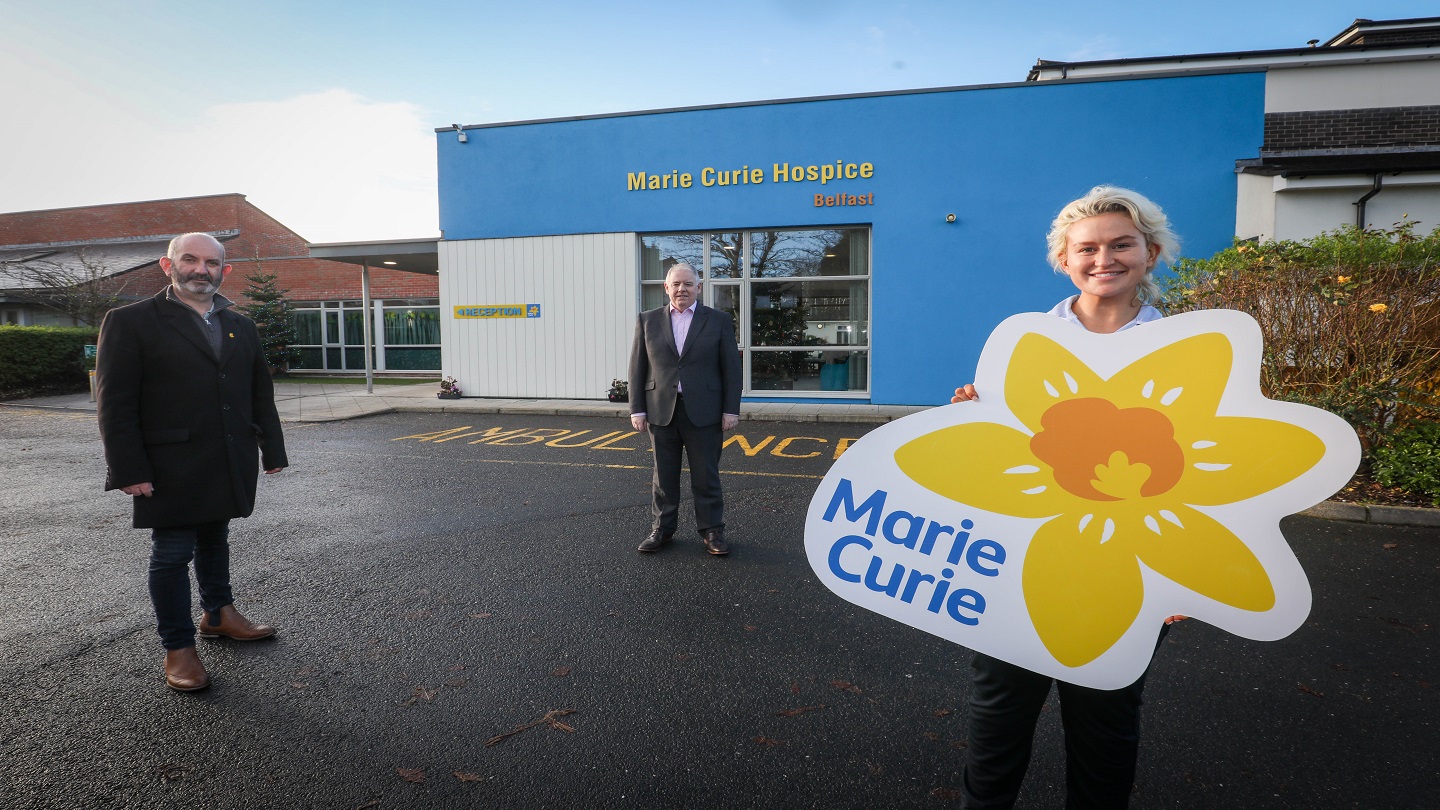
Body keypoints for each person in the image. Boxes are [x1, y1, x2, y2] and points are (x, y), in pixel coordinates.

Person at [950, 186, 1185, 808]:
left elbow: (1205, 476)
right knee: (999, 713)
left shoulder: (1188, 353)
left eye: (1121, 244)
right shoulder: (1022, 346)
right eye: (1087, 248)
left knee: (1105, 721)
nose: (1103, 258)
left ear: (1151, 252)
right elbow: (991, 464)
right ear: (1064, 258)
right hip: (1019, 563)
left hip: (1128, 570)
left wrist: (1188, 582)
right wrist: (971, 420)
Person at [96, 232, 288, 692]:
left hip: (226, 454)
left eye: (211, 262)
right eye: (190, 260)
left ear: (225, 270)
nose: (201, 269)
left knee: (215, 538)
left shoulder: (239, 323)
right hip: (169, 463)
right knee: (172, 554)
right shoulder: (130, 321)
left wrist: (273, 449)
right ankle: (178, 647)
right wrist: (129, 468)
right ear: (169, 266)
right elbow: (114, 402)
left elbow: (258, 391)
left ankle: (218, 614)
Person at [628, 262, 742, 555]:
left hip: (705, 412)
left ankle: (712, 531)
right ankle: (662, 529)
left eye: (688, 284)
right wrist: (636, 409)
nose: (682, 289)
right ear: (666, 288)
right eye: (676, 284)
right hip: (660, 412)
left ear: (698, 288)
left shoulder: (717, 320)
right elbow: (637, 368)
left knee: (706, 476)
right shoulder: (647, 320)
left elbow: (731, 369)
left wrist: (731, 410)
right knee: (663, 478)